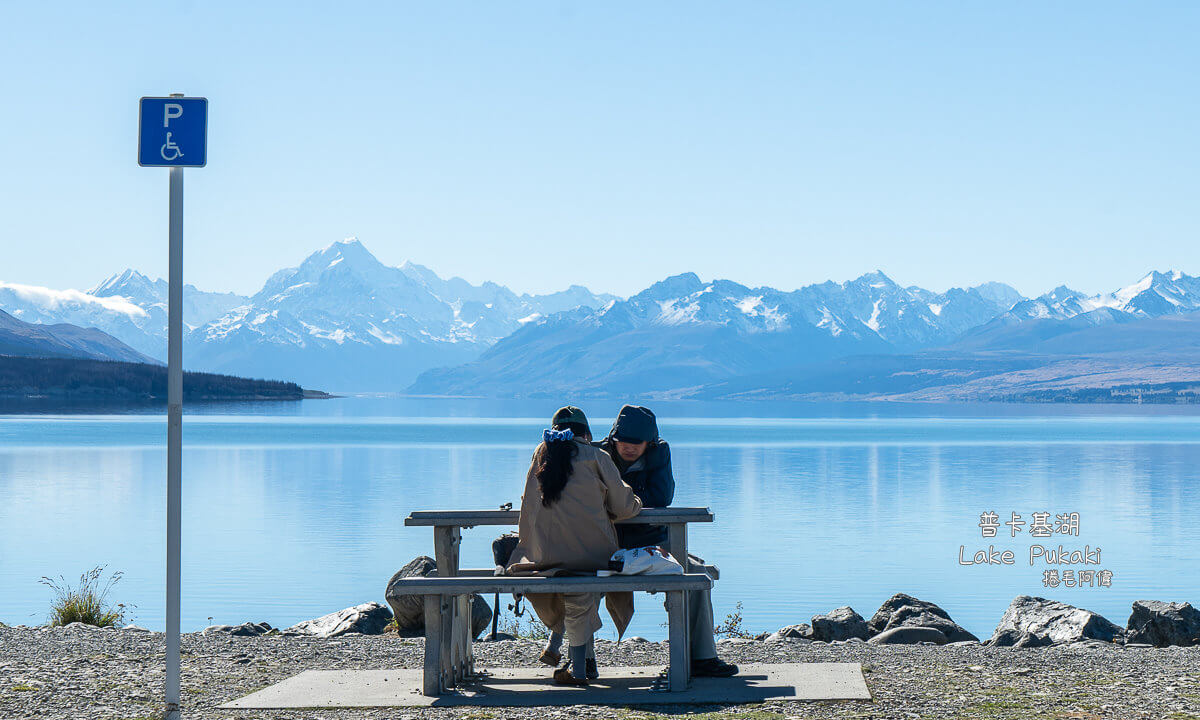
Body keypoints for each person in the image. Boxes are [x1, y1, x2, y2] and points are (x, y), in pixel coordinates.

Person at [596, 404, 739, 678]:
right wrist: (632, 500)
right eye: (622, 440)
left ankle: (702, 659)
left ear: (649, 442)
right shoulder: (597, 453)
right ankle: (580, 658)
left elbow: (661, 497)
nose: (628, 447)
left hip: (653, 541)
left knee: (696, 574)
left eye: (636, 443)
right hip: (605, 544)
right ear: (613, 437)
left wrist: (618, 501)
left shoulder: (659, 452)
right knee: (580, 577)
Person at [505, 406, 643, 686]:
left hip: (545, 558)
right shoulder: (596, 456)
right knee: (589, 580)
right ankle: (580, 667)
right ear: (587, 435)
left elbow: (528, 504)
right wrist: (635, 501)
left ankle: (573, 656)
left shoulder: (540, 454)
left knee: (570, 582)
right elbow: (624, 506)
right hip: (594, 558)